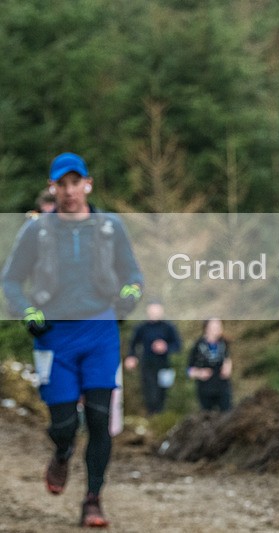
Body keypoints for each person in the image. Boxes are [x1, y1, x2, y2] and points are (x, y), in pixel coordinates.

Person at [1, 152, 143, 527]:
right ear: (53, 187)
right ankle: (62, 452)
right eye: (61, 184)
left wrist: (129, 296)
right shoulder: (37, 231)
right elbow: (11, 280)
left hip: (100, 331)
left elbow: (133, 276)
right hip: (54, 335)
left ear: (87, 184)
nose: (69, 191)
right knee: (64, 424)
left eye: (75, 182)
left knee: (98, 419)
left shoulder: (110, 227)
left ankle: (93, 500)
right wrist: (26, 312)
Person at [124, 301, 182, 415]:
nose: (154, 314)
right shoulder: (142, 328)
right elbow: (133, 344)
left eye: (157, 311)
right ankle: (151, 416)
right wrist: (131, 357)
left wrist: (165, 347)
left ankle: (160, 418)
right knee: (150, 393)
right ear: (147, 312)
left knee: (162, 394)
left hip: (164, 365)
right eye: (152, 311)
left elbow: (177, 345)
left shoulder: (168, 327)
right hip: (147, 365)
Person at [187, 318, 233, 412]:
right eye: (214, 327)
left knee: (227, 414)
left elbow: (227, 358)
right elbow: (189, 370)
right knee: (207, 417)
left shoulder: (223, 343)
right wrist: (199, 373)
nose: (218, 329)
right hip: (205, 389)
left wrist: (228, 367)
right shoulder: (198, 345)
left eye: (219, 326)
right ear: (207, 328)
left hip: (222, 386)